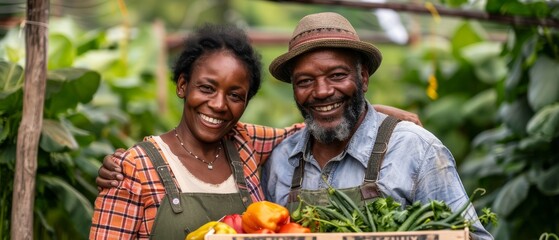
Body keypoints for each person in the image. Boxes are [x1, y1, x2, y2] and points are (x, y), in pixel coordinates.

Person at [90, 23, 421, 239]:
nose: (219, 105)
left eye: (235, 95)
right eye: (206, 88)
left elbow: (311, 123)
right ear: (182, 85)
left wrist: (377, 114)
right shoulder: (135, 168)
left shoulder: (246, 143)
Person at [261, 12, 493, 239]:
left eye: (337, 75)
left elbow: (469, 235)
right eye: (305, 81)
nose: (322, 91)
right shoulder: (281, 160)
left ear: (363, 78)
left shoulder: (415, 149)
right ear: (294, 89)